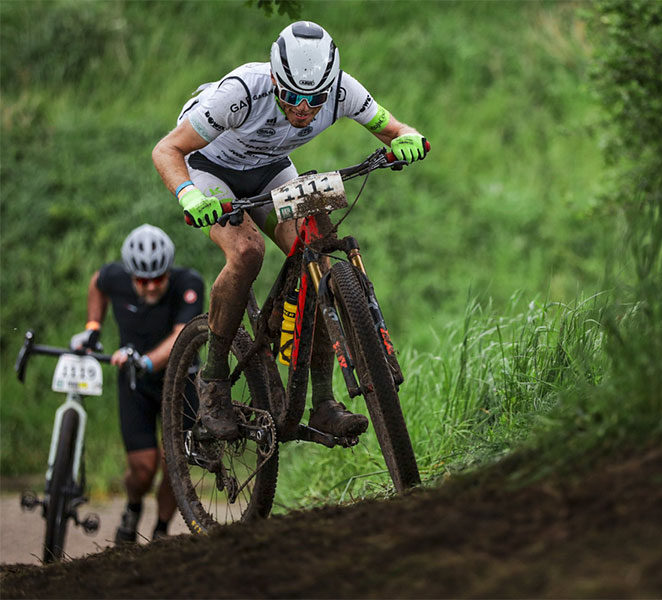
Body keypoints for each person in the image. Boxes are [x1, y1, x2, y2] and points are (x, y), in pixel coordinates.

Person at [151, 21, 429, 440]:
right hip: (209, 167)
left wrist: (409, 140)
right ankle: (213, 379)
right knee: (247, 252)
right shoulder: (242, 92)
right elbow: (167, 148)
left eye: (314, 99)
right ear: (275, 80)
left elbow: (397, 130)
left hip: (271, 169)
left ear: (330, 86)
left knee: (314, 247)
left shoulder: (344, 91)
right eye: (292, 96)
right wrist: (189, 195)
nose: (303, 108)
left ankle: (322, 401)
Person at [70, 224, 204, 543]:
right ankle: (132, 507)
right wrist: (93, 327)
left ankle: (160, 530)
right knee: (143, 469)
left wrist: (144, 361)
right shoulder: (114, 278)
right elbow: (96, 284)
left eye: (159, 278)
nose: (152, 286)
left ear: (168, 272)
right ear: (131, 275)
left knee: (175, 464)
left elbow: (181, 338)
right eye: (143, 281)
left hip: (178, 381)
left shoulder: (189, 283)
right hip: (135, 385)